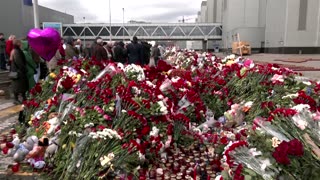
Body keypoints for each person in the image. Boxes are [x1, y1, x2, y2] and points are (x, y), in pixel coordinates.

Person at [11, 39, 28, 104]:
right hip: (18, 72)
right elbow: (19, 62)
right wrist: (24, 69)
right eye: (20, 43)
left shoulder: (16, 50)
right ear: (18, 44)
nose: (21, 44)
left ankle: (23, 98)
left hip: (16, 71)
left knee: (20, 86)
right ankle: (16, 99)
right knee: (18, 86)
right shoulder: (17, 51)